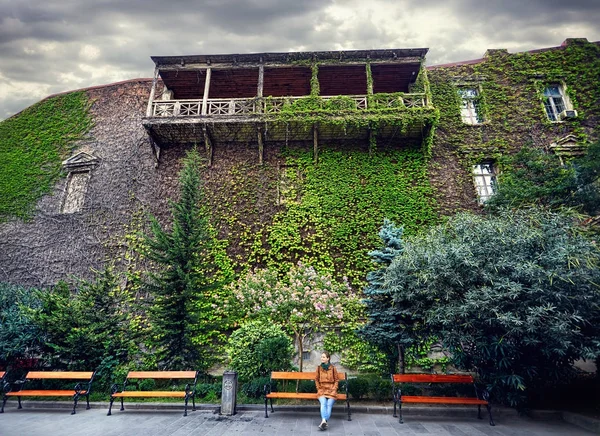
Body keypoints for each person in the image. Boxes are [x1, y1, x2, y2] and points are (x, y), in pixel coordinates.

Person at [315, 351, 339, 431]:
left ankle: (323, 421)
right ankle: (324, 421)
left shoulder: (333, 368)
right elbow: (316, 380)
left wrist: (334, 389)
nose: (322, 358)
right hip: (322, 390)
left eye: (324, 357)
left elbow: (336, 380)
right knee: (323, 402)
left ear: (328, 358)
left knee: (329, 404)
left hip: (331, 390)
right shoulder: (318, 368)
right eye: (321, 357)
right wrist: (318, 388)